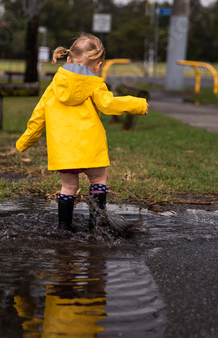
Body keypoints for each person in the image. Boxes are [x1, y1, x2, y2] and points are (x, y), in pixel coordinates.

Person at [16, 33, 149, 232]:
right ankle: (97, 226)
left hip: (64, 150)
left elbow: (37, 117)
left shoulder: (53, 88)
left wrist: (23, 143)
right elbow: (109, 104)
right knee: (98, 180)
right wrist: (138, 104)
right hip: (90, 147)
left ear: (69, 59)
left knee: (68, 187)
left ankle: (63, 227)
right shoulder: (95, 85)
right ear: (98, 65)